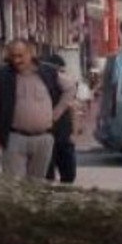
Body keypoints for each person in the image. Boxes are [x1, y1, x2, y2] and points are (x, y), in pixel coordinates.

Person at [0, 40, 72, 180]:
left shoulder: (49, 72)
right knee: (14, 185)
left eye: (20, 56)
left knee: (37, 186)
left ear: (31, 53)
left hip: (43, 139)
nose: (16, 60)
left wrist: (56, 113)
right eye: (13, 56)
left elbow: (70, 88)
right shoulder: (2, 75)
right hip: (14, 138)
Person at [44, 53, 78, 184]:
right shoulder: (43, 86)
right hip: (46, 134)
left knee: (69, 173)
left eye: (63, 71)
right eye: (60, 71)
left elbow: (73, 109)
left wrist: (74, 134)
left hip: (63, 134)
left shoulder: (66, 86)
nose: (62, 75)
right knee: (48, 172)